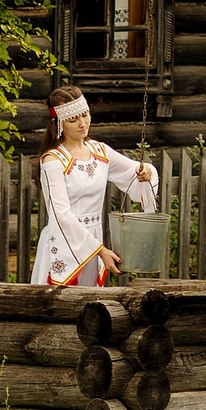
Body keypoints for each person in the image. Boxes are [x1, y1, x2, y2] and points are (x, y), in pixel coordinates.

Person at [29, 85, 159, 287]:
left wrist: (146, 172)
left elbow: (135, 172)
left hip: (94, 242)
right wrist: (99, 250)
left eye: (85, 115)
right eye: (73, 119)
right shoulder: (53, 160)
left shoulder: (100, 151)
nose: (82, 124)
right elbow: (61, 215)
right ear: (59, 123)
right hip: (65, 243)